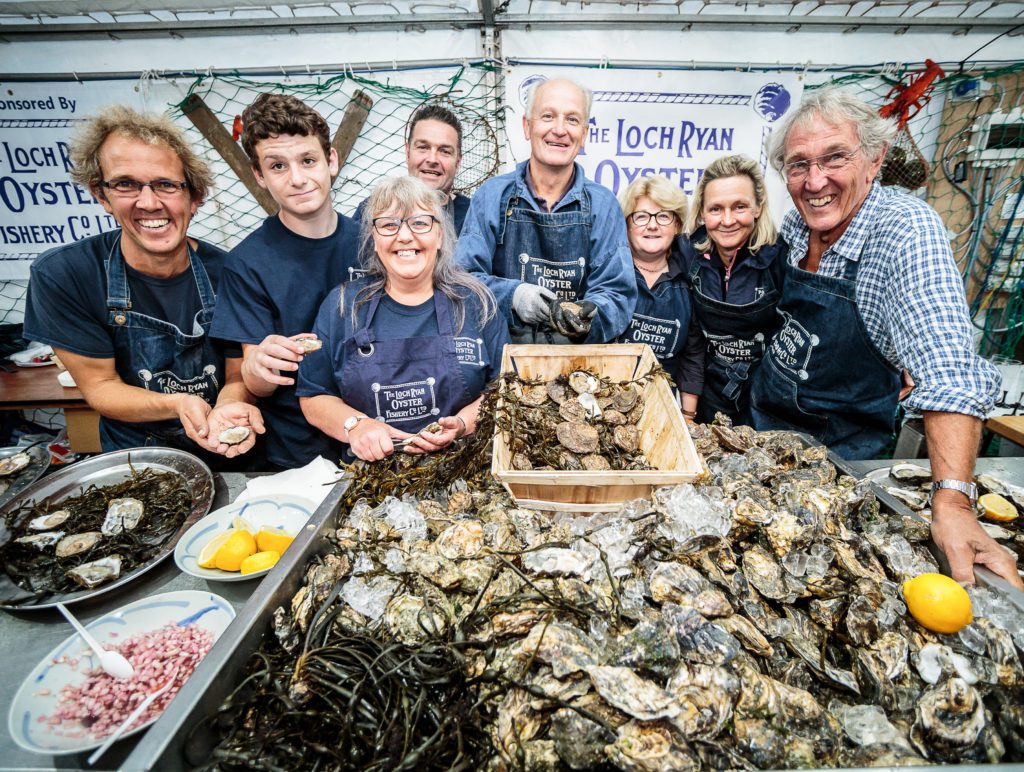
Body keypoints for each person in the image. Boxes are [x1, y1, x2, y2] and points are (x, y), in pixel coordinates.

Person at [751, 87, 1019, 589]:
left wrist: (954, 501)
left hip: (843, 459)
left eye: (835, 157)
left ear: (875, 159)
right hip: (763, 434)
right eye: (797, 165)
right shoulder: (792, 225)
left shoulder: (904, 229)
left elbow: (948, 366)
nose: (815, 181)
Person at [22, 106, 263, 467]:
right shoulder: (65, 275)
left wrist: (230, 403)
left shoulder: (232, 271)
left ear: (194, 197)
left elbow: (236, 373)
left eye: (166, 184)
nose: (149, 202)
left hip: (227, 448)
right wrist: (178, 402)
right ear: (102, 195)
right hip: (137, 459)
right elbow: (100, 387)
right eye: (125, 184)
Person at [298, 176, 508, 462]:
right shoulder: (343, 306)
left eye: (420, 223)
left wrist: (461, 424)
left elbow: (504, 390)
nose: (405, 236)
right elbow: (313, 395)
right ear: (374, 240)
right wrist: (356, 426)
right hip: (369, 480)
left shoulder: (477, 303)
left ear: (440, 235)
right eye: (388, 225)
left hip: (462, 470)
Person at [210, 93, 361, 470]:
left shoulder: (374, 244)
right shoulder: (246, 264)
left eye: (308, 160)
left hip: (370, 436)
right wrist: (258, 367)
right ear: (259, 176)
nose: (297, 179)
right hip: (295, 455)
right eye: (278, 166)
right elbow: (254, 383)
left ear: (332, 161)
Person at [456, 78, 636, 344]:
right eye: (548, 116)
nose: (560, 129)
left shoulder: (603, 205)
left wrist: (586, 319)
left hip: (578, 364)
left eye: (572, 120)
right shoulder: (492, 196)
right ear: (527, 127)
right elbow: (462, 279)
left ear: (584, 134)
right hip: (504, 360)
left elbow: (617, 293)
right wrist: (513, 296)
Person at [678, 154, 786, 425]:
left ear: (758, 207)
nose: (727, 220)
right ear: (702, 212)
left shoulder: (783, 258)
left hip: (767, 398)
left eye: (739, 207)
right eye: (716, 209)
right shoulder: (686, 252)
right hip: (709, 393)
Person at [616, 175, 704, 406]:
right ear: (626, 224)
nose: (652, 225)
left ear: (677, 225)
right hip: (605, 400)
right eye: (641, 216)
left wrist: (688, 417)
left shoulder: (691, 279)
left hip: (661, 406)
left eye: (663, 216)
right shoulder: (609, 274)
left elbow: (693, 355)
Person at [353, 104, 471, 238]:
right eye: (423, 147)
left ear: (458, 161)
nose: (432, 159)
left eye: (444, 151)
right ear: (407, 152)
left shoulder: (473, 217)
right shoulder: (373, 210)